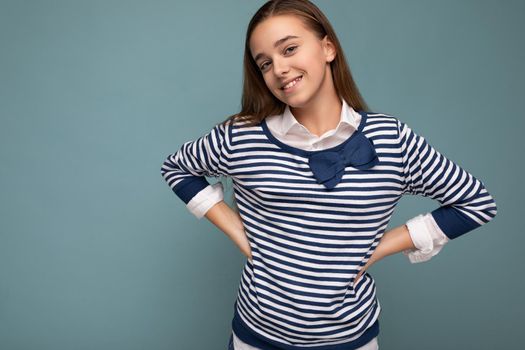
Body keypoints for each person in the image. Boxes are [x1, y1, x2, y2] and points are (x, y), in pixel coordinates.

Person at [160, 1, 498, 349]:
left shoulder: (391, 139)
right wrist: (242, 236)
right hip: (254, 338)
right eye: (265, 63)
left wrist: (378, 249)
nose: (279, 68)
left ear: (327, 47)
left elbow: (475, 203)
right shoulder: (242, 136)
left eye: (289, 48)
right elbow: (176, 168)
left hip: (351, 339)